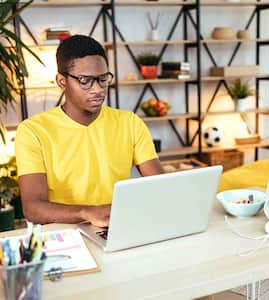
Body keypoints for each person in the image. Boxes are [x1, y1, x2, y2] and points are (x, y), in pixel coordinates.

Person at [15, 35, 163, 227]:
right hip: (65, 233)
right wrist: (87, 212)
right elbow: (33, 208)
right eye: (85, 80)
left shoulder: (130, 122)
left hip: (117, 226)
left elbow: (160, 185)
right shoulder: (32, 131)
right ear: (62, 81)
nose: (97, 90)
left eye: (103, 79)